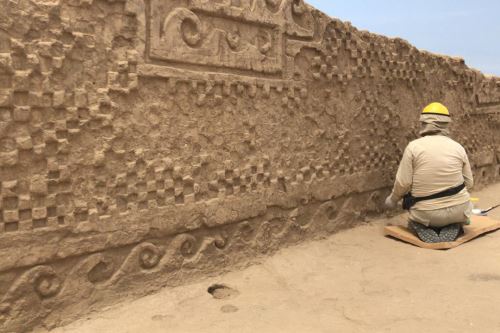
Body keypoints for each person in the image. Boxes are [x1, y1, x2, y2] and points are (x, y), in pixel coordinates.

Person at [385, 102, 474, 243]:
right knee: (463, 206)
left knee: (415, 208)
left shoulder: (413, 147)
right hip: (459, 210)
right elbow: (469, 183)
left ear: (424, 124)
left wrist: (392, 200)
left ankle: (420, 226)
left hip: (426, 214)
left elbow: (404, 182)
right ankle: (455, 224)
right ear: (446, 124)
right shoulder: (458, 147)